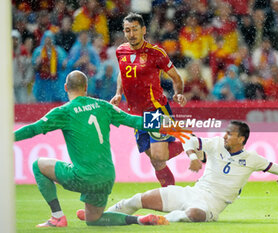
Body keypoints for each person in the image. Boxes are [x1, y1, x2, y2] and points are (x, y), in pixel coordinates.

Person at [14, 70, 187, 227]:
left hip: (83, 176)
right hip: (106, 177)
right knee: (94, 220)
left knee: (38, 165)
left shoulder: (64, 111)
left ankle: (57, 217)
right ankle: (138, 220)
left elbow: (33, 129)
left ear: (66, 87)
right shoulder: (104, 106)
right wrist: (165, 122)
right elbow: (135, 121)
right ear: (86, 87)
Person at [77, 121, 278, 222]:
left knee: (195, 214)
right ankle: (99, 217)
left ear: (241, 139)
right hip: (192, 192)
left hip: (211, 205)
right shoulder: (216, 144)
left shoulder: (252, 159)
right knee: (139, 199)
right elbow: (190, 139)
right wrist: (192, 156)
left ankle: (162, 220)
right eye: (225, 133)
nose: (225, 136)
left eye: (230, 134)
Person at [110, 13, 188, 187]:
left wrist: (179, 93)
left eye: (135, 30)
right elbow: (122, 74)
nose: (131, 34)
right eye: (127, 30)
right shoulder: (120, 51)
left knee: (159, 155)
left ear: (143, 30)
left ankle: (195, 143)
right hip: (136, 114)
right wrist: (118, 93)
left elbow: (176, 77)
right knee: (155, 160)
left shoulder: (155, 53)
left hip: (156, 109)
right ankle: (170, 196)